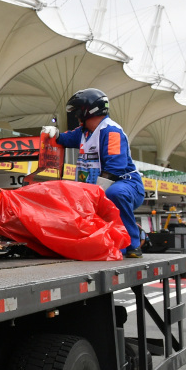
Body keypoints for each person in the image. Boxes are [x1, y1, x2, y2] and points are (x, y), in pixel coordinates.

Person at [44, 88, 146, 257]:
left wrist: (95, 195)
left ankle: (132, 244)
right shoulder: (83, 132)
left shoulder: (111, 132)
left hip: (126, 184)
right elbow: (65, 139)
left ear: (87, 110)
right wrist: (53, 134)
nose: (76, 116)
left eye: (77, 111)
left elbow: (115, 168)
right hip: (98, 187)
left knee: (114, 194)